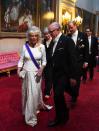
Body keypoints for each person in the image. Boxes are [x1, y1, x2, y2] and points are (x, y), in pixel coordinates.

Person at [17, 26, 52, 127]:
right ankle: (27, 111)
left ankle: (31, 117)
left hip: (37, 74)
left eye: (35, 36)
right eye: (31, 36)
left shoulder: (42, 47)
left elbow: (44, 61)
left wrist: (41, 69)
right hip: (26, 73)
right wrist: (18, 70)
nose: (33, 38)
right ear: (28, 36)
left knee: (34, 94)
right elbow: (21, 60)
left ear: (38, 36)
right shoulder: (25, 46)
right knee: (26, 93)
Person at [48, 22, 77, 127]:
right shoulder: (52, 42)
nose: (50, 33)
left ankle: (60, 117)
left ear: (58, 29)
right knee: (57, 97)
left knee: (58, 95)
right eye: (49, 31)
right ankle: (63, 115)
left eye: (51, 31)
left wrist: (73, 76)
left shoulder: (67, 40)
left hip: (64, 74)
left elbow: (73, 59)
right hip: (55, 74)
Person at [67, 21, 89, 104]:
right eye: (69, 27)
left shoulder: (83, 35)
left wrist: (86, 61)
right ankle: (73, 93)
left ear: (75, 26)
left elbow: (86, 49)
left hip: (79, 61)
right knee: (69, 79)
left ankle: (74, 96)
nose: (70, 29)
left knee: (76, 79)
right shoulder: (68, 36)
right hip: (69, 62)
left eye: (71, 27)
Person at [43, 27, 53, 99]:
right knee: (47, 77)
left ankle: (48, 91)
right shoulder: (43, 42)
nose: (46, 35)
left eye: (48, 34)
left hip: (52, 62)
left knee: (50, 77)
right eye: (45, 34)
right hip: (45, 62)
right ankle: (48, 89)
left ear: (50, 34)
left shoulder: (54, 41)